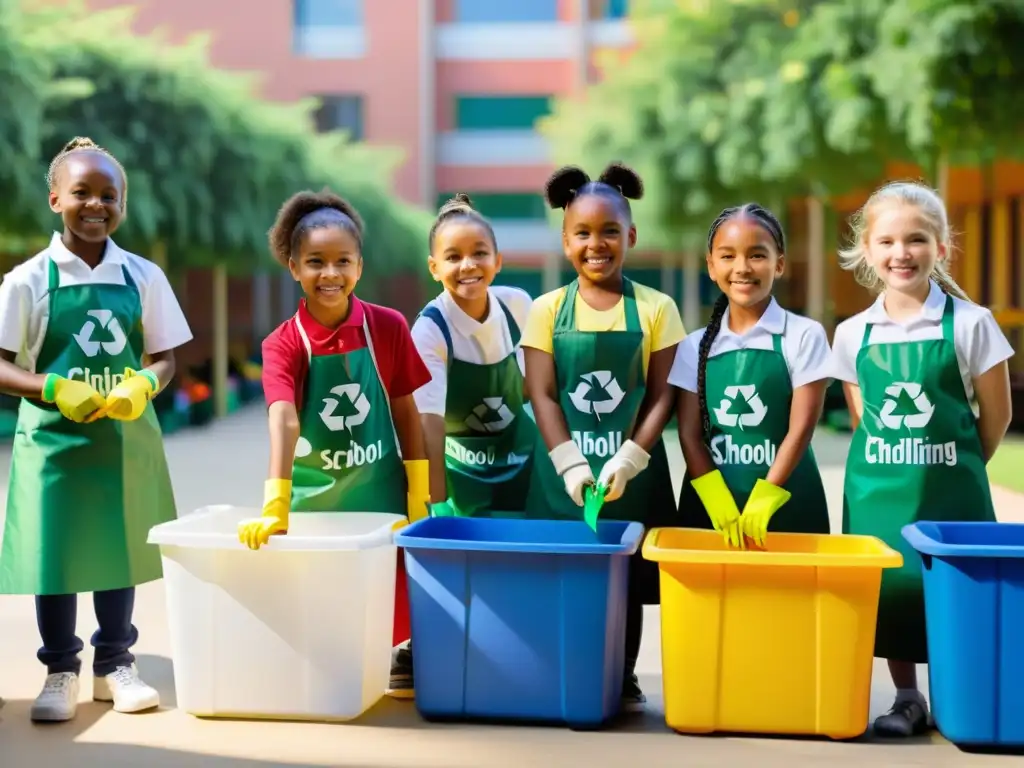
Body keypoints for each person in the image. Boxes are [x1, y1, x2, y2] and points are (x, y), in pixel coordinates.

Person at [0, 137, 193, 722]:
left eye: (109, 195)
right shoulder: (27, 281)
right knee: (53, 554)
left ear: (123, 205)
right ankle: (60, 669)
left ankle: (115, 664)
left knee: (117, 546)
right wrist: (54, 388)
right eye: (81, 192)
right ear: (56, 197)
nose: (95, 204)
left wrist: (144, 386)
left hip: (121, 437)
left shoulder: (143, 276)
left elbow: (164, 357)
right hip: (53, 443)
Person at [830, 181, 1013, 737]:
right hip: (876, 494)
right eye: (886, 241)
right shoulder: (851, 333)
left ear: (941, 247)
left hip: (951, 494)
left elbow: (996, 415)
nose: (900, 252)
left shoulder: (973, 323)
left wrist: (953, 466)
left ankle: (960, 695)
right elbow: (862, 419)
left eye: (916, 239)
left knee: (957, 595)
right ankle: (907, 698)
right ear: (867, 250)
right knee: (894, 592)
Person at [236, 189, 431, 699]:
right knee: (319, 608)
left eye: (342, 261)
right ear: (293, 267)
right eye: (315, 263)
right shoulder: (282, 343)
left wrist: (418, 489)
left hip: (380, 496)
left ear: (360, 266)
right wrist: (276, 502)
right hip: (314, 500)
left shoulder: (386, 326)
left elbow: (407, 410)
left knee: (385, 600)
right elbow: (283, 419)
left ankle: (388, 666)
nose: (330, 274)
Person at [521, 163, 685, 713]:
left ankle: (624, 675)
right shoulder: (545, 310)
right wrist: (569, 462)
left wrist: (631, 457)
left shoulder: (658, 309)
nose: (597, 244)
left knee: (627, 575)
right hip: (561, 473)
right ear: (565, 240)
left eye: (610, 231)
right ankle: (556, 667)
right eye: (583, 233)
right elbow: (542, 393)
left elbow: (664, 394)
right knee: (564, 572)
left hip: (631, 471)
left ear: (631, 236)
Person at [672, 204, 831, 547]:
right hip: (710, 517)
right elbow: (689, 433)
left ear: (780, 264)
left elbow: (801, 428)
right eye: (727, 256)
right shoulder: (693, 345)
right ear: (711, 266)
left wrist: (768, 494)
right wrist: (713, 495)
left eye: (757, 255)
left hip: (789, 509)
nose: (742, 268)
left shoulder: (803, 335)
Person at [411, 193, 535, 518]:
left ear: (497, 261)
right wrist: (436, 503)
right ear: (434, 268)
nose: (468, 265)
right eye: (453, 257)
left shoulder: (518, 306)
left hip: (522, 464)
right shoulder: (429, 330)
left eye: (479, 253)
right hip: (460, 478)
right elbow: (429, 425)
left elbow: (535, 390)